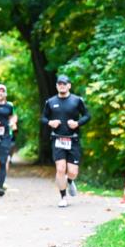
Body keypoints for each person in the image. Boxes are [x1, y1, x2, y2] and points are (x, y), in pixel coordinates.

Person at [41, 74, 90, 208]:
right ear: (57, 86)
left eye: (64, 84)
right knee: (60, 169)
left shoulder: (76, 100)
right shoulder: (50, 102)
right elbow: (43, 118)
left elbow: (87, 115)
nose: (62, 86)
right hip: (57, 139)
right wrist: (50, 122)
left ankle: (70, 180)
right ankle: (63, 197)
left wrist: (77, 123)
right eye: (59, 84)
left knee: (73, 171)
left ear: (69, 86)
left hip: (73, 139)